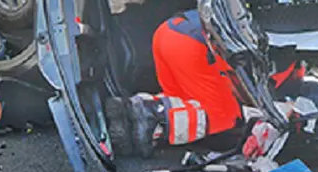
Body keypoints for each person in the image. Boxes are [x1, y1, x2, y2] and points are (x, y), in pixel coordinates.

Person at [105, 9, 303, 157]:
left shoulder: (274, 30)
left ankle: (128, 110)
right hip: (193, 45)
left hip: (168, 31)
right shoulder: (285, 66)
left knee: (183, 101)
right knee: (224, 121)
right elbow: (247, 87)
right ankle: (152, 116)